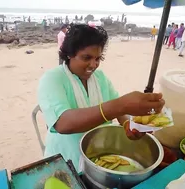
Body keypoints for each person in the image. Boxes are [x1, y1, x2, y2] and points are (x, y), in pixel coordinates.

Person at [37, 24, 165, 170]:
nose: (93, 64)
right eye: (87, 58)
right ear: (69, 54)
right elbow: (63, 123)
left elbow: (120, 112)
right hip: (65, 159)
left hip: (99, 154)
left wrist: (130, 125)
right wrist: (120, 105)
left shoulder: (100, 78)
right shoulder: (52, 79)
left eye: (98, 58)